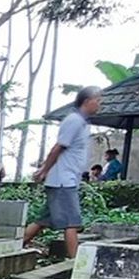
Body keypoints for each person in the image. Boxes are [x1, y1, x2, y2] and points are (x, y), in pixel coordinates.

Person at [24, 86, 102, 259]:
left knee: (42, 221)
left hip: (66, 180)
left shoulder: (81, 122)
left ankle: (15, 246)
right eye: (98, 101)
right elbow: (57, 148)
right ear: (87, 101)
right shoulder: (74, 120)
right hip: (62, 181)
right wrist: (44, 170)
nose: (99, 105)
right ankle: (76, 264)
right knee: (71, 223)